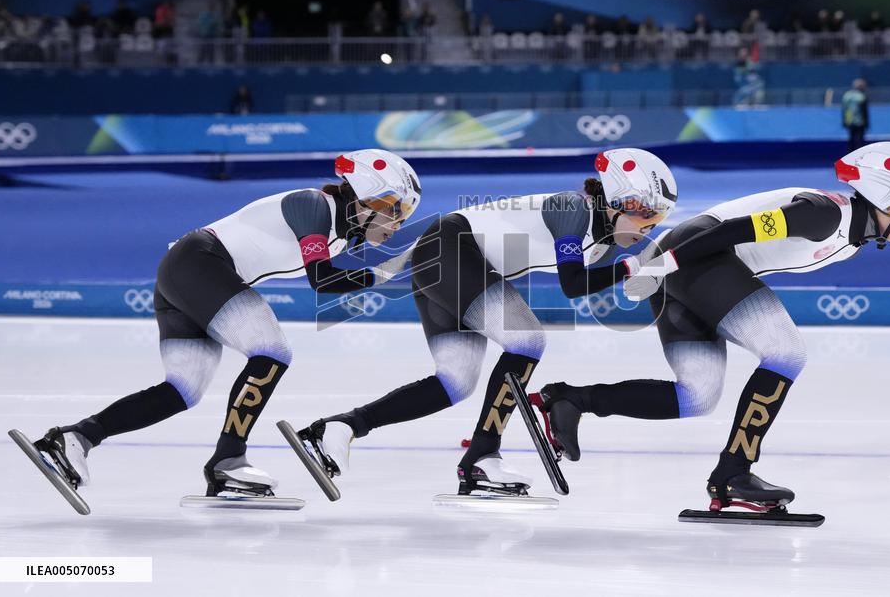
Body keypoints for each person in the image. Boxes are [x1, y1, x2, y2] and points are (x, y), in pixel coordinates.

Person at [534, 142, 890, 513]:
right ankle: (733, 474)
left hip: (685, 264)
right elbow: (728, 231)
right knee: (786, 351)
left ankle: (570, 400)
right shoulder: (824, 214)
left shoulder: (850, 238)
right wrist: (658, 267)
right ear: (882, 199)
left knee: (696, 396)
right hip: (692, 256)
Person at [20, 150, 422, 505]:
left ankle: (75, 438)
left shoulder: (337, 235)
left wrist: (385, 272)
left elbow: (329, 277)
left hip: (190, 270)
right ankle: (228, 458)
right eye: (393, 209)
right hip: (201, 264)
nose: (396, 224)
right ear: (364, 194)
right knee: (272, 352)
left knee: (182, 390)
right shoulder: (314, 205)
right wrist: (385, 274)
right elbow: (323, 281)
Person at [285, 148, 678, 498]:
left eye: (658, 217)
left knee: (455, 382)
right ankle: (483, 453)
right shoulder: (572, 209)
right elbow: (573, 285)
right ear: (615, 200)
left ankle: (340, 427)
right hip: (452, 250)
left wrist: (635, 268)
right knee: (526, 340)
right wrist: (635, 266)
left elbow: (581, 281)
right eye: (646, 213)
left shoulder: (602, 236)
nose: (651, 226)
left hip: (450, 258)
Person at [842, 78, 869, 152]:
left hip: (850, 122)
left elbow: (844, 110)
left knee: (851, 139)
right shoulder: (861, 97)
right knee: (860, 140)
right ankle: (860, 155)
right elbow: (864, 111)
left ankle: (850, 155)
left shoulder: (847, 96)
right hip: (860, 122)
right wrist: (866, 123)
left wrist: (845, 121)